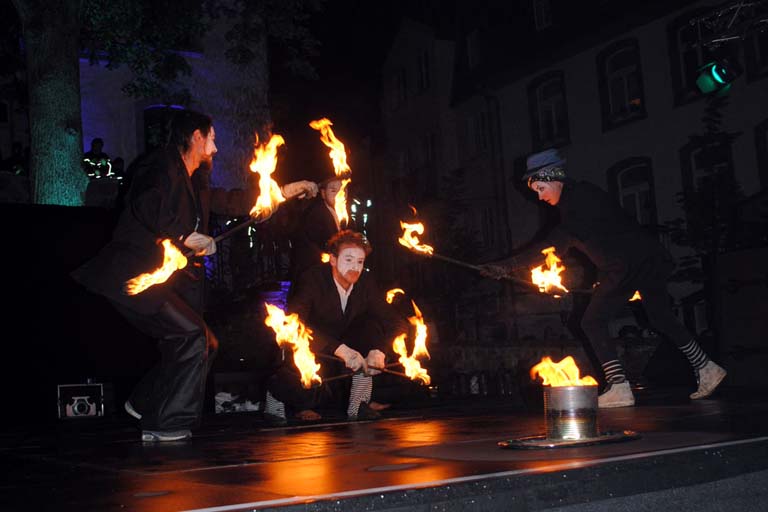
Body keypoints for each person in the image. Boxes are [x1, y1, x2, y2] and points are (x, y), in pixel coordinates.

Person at [72, 109, 317, 441]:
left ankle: (144, 403)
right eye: (212, 138)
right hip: (133, 276)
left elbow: (231, 201)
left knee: (205, 342)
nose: (215, 148)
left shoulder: (194, 179)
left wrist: (284, 191)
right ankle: (165, 423)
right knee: (192, 338)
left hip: (159, 283)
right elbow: (147, 205)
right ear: (196, 137)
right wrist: (184, 235)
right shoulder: (159, 165)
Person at [479, 148, 727, 408]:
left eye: (541, 188)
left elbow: (554, 243)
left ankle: (619, 386)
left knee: (592, 321)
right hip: (647, 260)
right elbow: (605, 237)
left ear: (553, 179)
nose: (540, 197)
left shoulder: (577, 202)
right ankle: (707, 367)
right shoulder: (582, 198)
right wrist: (601, 277)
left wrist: (506, 266)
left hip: (627, 266)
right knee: (660, 317)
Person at [264, 230, 409, 424]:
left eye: (360, 262)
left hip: (348, 357)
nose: (355, 268)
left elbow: (395, 321)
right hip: (315, 352)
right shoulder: (312, 279)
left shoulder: (365, 283)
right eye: (348, 260)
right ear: (332, 259)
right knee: (310, 395)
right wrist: (340, 350)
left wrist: (380, 351)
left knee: (370, 327)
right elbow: (294, 325)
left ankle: (358, 403)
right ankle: (278, 396)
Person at [289, 177, 345, 290]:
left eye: (342, 190)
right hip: (315, 272)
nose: (338, 195)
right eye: (333, 190)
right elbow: (309, 244)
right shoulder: (315, 213)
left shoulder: (344, 215)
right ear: (323, 193)